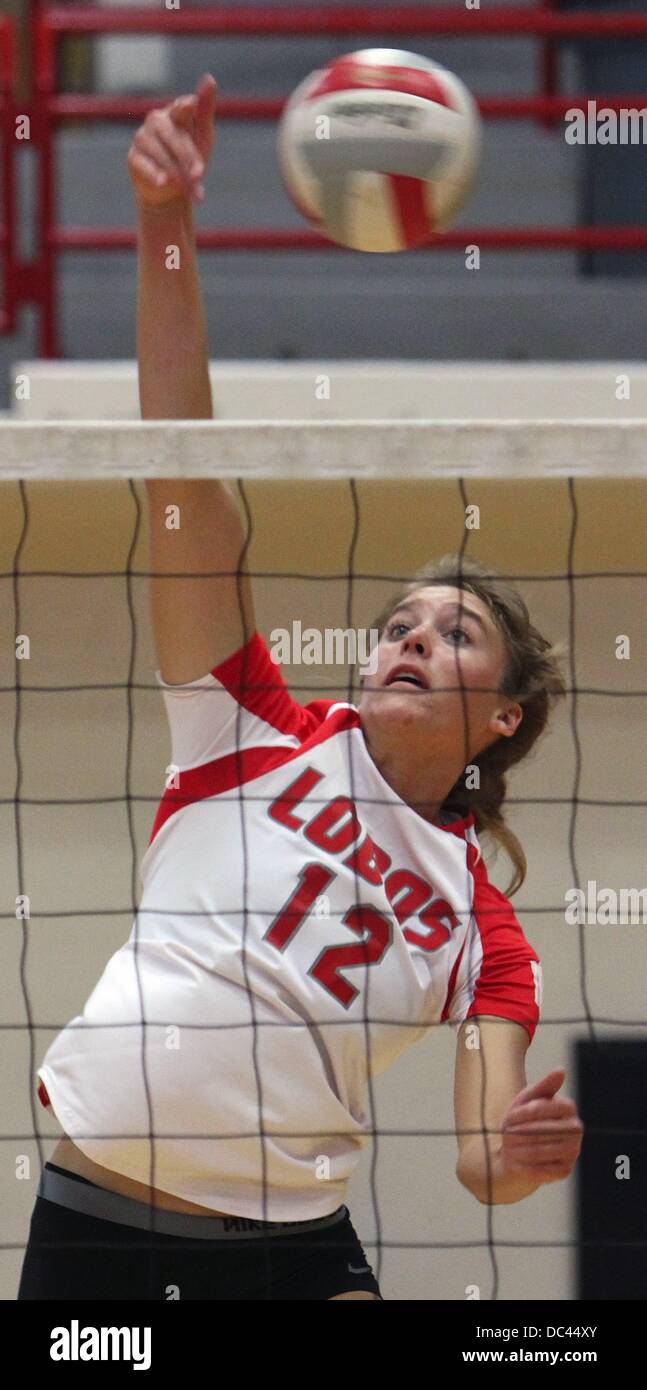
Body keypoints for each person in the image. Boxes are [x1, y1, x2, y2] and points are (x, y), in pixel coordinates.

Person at [18, 74, 584, 1302]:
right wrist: (164, 217)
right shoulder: (249, 726)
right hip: (99, 1226)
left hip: (295, 1252)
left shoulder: (486, 934)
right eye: (397, 623)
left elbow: (483, 1158)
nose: (408, 638)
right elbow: (186, 481)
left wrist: (521, 1159)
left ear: (503, 716)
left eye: (455, 632)